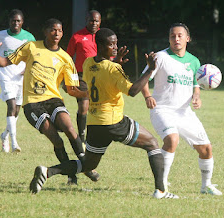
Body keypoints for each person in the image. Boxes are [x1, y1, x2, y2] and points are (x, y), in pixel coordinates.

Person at [29, 28, 178, 199]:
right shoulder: (113, 68)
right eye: (111, 44)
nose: (115, 47)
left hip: (94, 124)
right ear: (99, 45)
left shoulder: (88, 63)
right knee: (152, 143)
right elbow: (133, 90)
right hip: (114, 122)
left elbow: (103, 77)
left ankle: (47, 172)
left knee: (87, 164)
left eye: (116, 43)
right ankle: (161, 191)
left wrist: (117, 63)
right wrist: (150, 70)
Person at [0, 18, 100, 186]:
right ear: (45, 31)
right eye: (53, 30)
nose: (56, 33)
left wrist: (89, 94)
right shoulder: (31, 47)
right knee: (57, 140)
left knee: (69, 128)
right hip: (32, 104)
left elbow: (71, 90)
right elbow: (4, 62)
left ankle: (86, 166)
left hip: (54, 100)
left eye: (60, 30)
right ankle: (72, 176)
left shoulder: (65, 58)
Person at [141, 23, 222, 196]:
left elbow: (196, 84)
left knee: (206, 149)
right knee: (172, 140)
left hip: (184, 112)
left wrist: (197, 96)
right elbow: (143, 79)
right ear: (169, 38)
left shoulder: (194, 61)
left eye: (179, 36)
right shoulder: (160, 57)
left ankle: (206, 186)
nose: (176, 39)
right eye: (172, 36)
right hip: (162, 109)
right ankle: (161, 187)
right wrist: (148, 96)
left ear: (187, 38)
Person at [0, 9, 36, 153]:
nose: (16, 23)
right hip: (5, 75)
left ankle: (5, 135)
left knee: (17, 110)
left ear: (22, 22)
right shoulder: (0, 35)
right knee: (11, 106)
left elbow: (34, 57)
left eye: (18, 21)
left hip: (21, 77)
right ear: (9, 21)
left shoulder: (29, 37)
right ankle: (14, 143)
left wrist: (27, 70)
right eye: (13, 20)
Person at [65, 10, 101, 143]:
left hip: (100, 76)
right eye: (91, 20)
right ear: (86, 20)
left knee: (97, 108)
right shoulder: (77, 36)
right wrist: (66, 78)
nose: (94, 23)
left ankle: (95, 137)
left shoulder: (103, 36)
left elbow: (111, 56)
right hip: (81, 76)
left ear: (100, 22)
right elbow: (67, 57)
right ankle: (81, 137)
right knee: (83, 106)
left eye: (96, 21)